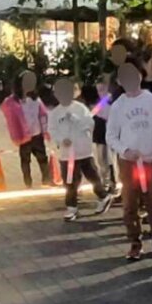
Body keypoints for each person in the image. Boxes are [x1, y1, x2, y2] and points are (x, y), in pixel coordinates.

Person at [106, 60, 152, 261]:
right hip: (128, 163)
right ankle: (135, 242)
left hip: (150, 160)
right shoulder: (118, 106)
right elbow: (111, 136)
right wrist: (125, 150)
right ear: (119, 81)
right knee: (130, 204)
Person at [48, 77, 114, 222]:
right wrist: (61, 140)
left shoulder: (80, 108)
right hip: (67, 154)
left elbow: (89, 123)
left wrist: (77, 122)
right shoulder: (55, 113)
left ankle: (103, 195)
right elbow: (52, 130)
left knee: (92, 176)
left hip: (83, 151)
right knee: (70, 181)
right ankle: (71, 207)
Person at [0, 70, 50, 188]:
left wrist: (46, 130)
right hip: (24, 137)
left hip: (37, 134)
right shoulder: (12, 102)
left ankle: (46, 180)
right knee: (25, 160)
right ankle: (28, 183)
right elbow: (10, 117)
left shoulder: (36, 100)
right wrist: (17, 135)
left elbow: (43, 115)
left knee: (43, 158)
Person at [81, 83, 116, 194]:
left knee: (107, 160)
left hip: (108, 133)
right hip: (101, 134)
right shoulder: (102, 102)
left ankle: (110, 184)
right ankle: (108, 183)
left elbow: (92, 113)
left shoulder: (105, 102)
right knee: (103, 160)